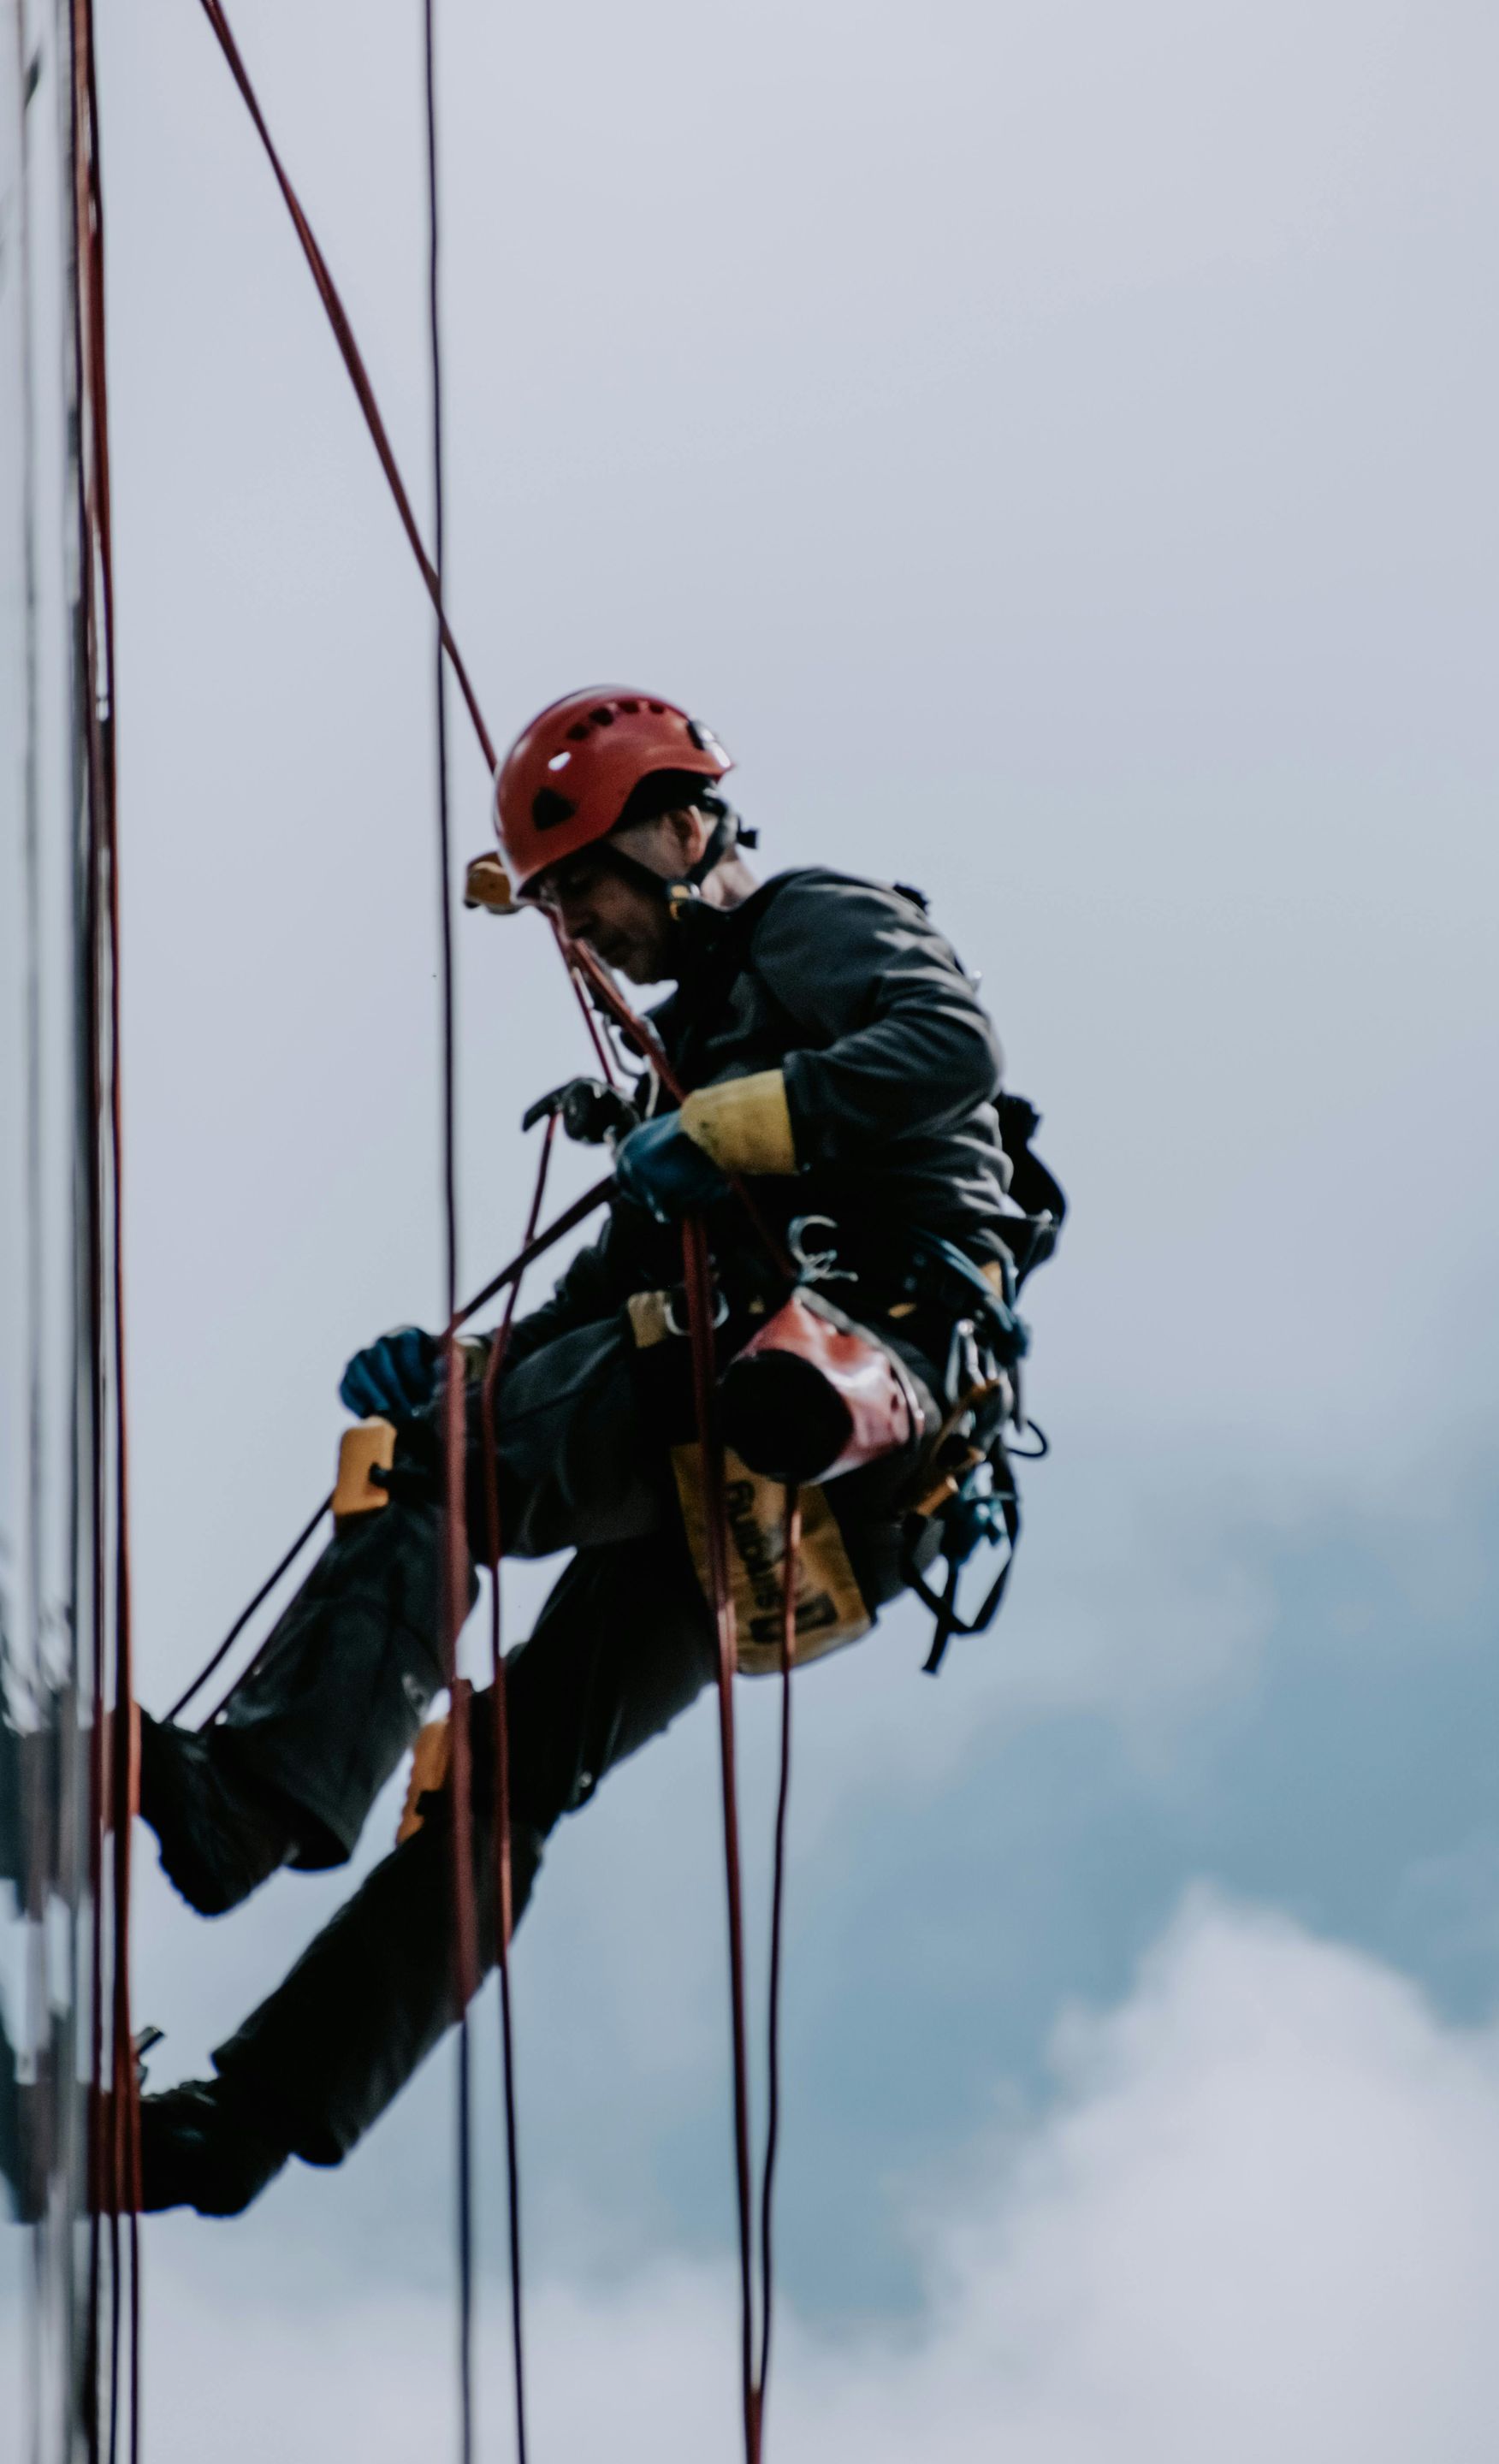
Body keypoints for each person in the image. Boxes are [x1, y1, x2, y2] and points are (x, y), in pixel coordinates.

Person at [131, 687, 1055, 2216]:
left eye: (594, 890)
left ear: (685, 829)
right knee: (509, 1772)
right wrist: (466, 1366)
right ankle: (240, 2133)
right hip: (804, 1501)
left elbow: (950, 1042)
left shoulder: (809, 926)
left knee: (447, 1473)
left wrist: (740, 1127)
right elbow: (598, 1303)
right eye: (560, 909)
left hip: (822, 1380)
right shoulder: (687, 1061)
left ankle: (255, 1794)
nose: (586, 931)